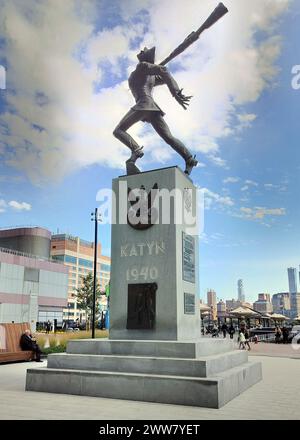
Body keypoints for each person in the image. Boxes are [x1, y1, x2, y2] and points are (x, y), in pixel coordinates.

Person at [113, 46, 198, 175]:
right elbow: (164, 74)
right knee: (168, 138)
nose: (140, 52)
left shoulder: (142, 66)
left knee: (118, 131)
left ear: (146, 58)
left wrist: (175, 92)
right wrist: (158, 72)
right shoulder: (149, 75)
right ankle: (189, 158)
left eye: (143, 51)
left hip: (143, 104)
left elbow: (163, 70)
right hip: (151, 107)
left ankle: (136, 150)